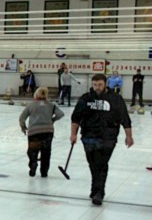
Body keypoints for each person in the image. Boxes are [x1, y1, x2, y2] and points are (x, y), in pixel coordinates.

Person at [70, 73, 134, 206]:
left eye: (100, 85)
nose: (97, 88)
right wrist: (73, 134)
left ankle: (99, 192)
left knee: (101, 164)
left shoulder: (115, 99)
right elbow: (75, 117)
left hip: (108, 138)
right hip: (88, 137)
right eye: (95, 85)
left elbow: (125, 118)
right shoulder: (86, 99)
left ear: (105, 84)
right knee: (93, 164)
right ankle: (95, 189)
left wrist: (129, 136)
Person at [19, 87, 64, 177]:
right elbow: (61, 114)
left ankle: (33, 164)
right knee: (46, 152)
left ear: (36, 94)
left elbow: (22, 118)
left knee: (32, 151)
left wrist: (23, 127)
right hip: (48, 132)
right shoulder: (51, 105)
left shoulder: (31, 105)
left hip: (34, 132)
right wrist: (53, 120)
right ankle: (44, 172)